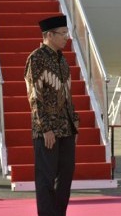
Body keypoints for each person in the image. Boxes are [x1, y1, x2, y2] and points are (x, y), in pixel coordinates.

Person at [24, 15, 79, 216]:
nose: (66, 37)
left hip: (66, 129)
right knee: (46, 179)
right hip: (47, 131)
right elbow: (34, 97)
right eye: (63, 33)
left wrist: (74, 124)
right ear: (49, 35)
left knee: (65, 178)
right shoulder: (36, 59)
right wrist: (45, 128)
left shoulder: (62, 60)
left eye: (67, 33)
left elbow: (68, 96)